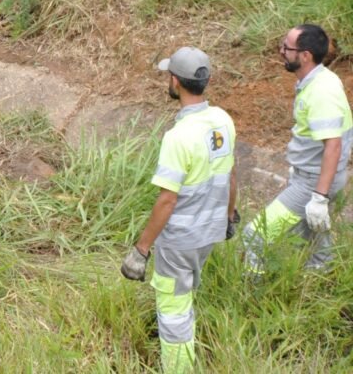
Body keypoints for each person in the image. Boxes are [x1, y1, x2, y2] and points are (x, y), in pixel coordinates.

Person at [120, 46, 238, 374]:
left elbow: (167, 200)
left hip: (181, 240)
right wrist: (230, 216)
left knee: (173, 310)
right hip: (210, 232)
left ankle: (178, 368)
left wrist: (141, 250)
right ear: (206, 80)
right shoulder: (223, 121)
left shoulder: (178, 136)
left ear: (175, 81)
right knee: (185, 296)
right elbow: (231, 174)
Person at [243, 24, 352, 273]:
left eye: (287, 47)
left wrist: (319, 197)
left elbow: (333, 146)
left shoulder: (322, 92)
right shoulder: (317, 81)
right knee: (314, 246)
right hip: (313, 178)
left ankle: (253, 297)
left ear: (305, 55)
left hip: (313, 184)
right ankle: (319, 285)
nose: (281, 51)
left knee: (254, 236)